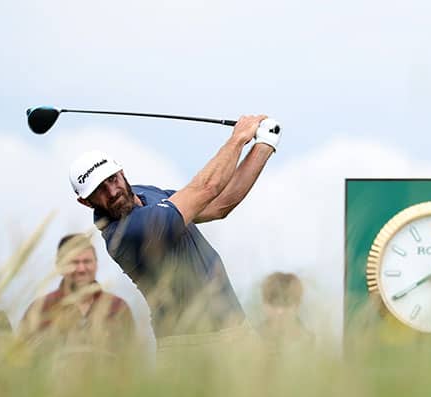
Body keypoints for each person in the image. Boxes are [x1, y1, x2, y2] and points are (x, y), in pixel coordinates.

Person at [68, 115, 281, 363]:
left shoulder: (146, 194)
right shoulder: (127, 232)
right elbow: (206, 188)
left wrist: (265, 143)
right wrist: (238, 138)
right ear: (85, 201)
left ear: (121, 171)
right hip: (192, 346)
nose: (112, 192)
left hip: (236, 329)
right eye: (99, 191)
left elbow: (218, 205)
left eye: (112, 180)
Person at [19, 234, 136, 356]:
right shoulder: (40, 309)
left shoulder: (117, 307)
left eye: (87, 261)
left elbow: (133, 358)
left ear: (96, 264)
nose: (81, 269)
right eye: (74, 262)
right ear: (59, 266)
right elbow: (22, 360)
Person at [257, 272, 315, 355]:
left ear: (298, 304)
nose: (280, 311)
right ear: (264, 304)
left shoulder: (310, 342)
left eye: (286, 304)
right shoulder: (252, 340)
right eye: (274, 304)